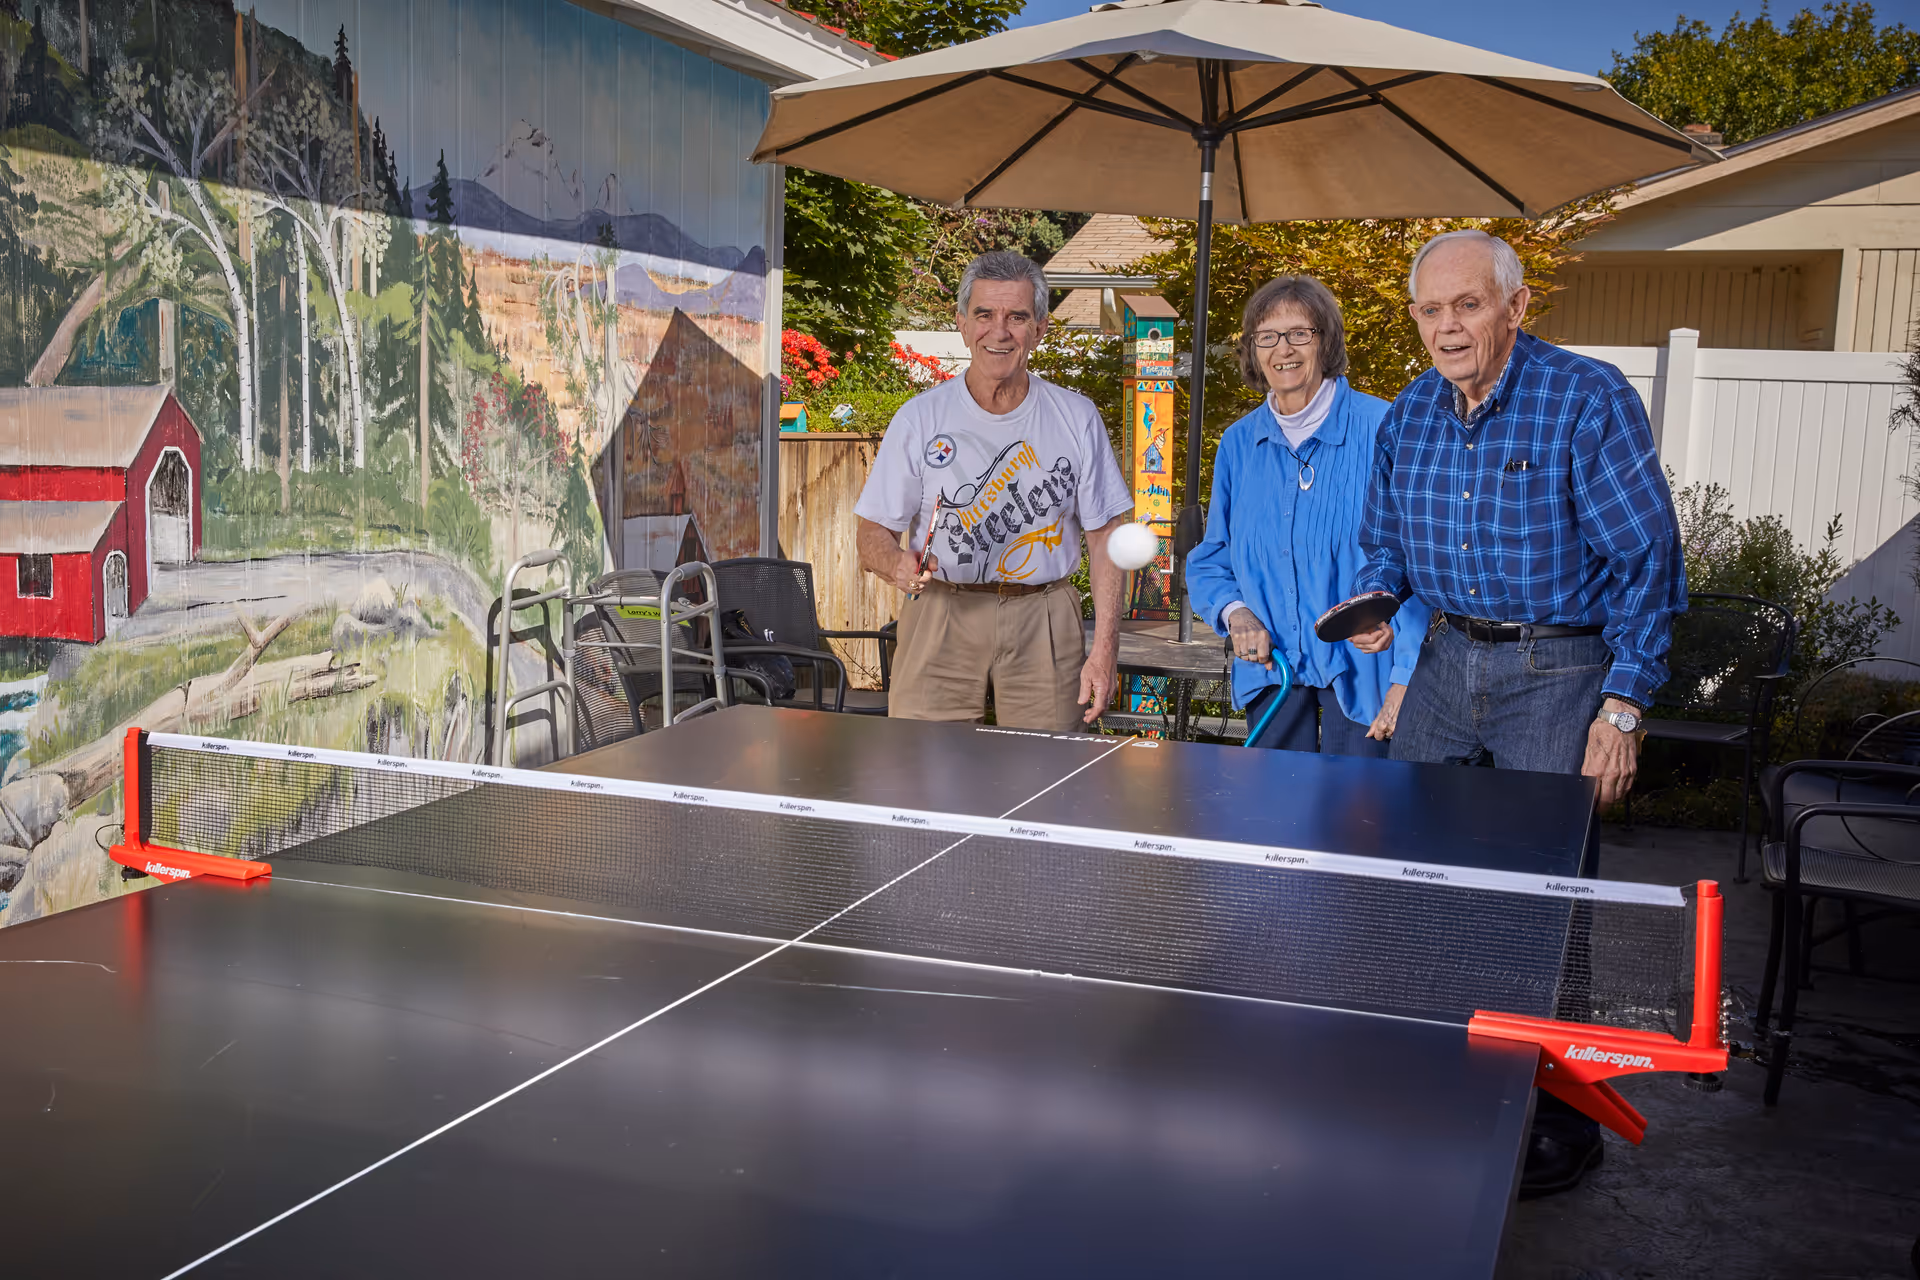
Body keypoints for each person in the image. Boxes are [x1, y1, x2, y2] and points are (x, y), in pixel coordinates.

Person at [1351, 228, 1685, 1199]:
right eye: (1431, 309)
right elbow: (1384, 547)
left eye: (1469, 304)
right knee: (1420, 880)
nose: (1448, 325)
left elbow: (1648, 563)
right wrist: (1375, 603)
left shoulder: (1587, 398)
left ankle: (1562, 1122)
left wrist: (1623, 705)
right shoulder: (1408, 414)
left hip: (1562, 665)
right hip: (1447, 657)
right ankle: (1447, 1086)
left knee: (1549, 908)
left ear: (1516, 305)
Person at [854, 250, 1133, 732]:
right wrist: (895, 564)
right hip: (940, 610)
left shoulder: (1076, 417)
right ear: (962, 324)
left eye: (1017, 316)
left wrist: (1106, 647)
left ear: (1040, 328)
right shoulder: (920, 418)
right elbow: (871, 533)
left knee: (1047, 780)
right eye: (984, 314)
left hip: (1044, 614)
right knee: (920, 778)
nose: (999, 331)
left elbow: (1107, 535)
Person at [1185, 276, 1427, 754]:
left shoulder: (1383, 426)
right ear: (1254, 350)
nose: (1283, 349)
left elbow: (1421, 554)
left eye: (1300, 333)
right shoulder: (1238, 443)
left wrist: (1403, 664)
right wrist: (1238, 615)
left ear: (1326, 341)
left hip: (1367, 673)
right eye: (1267, 336)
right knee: (1272, 820)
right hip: (1273, 670)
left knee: (1361, 823)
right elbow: (1212, 558)